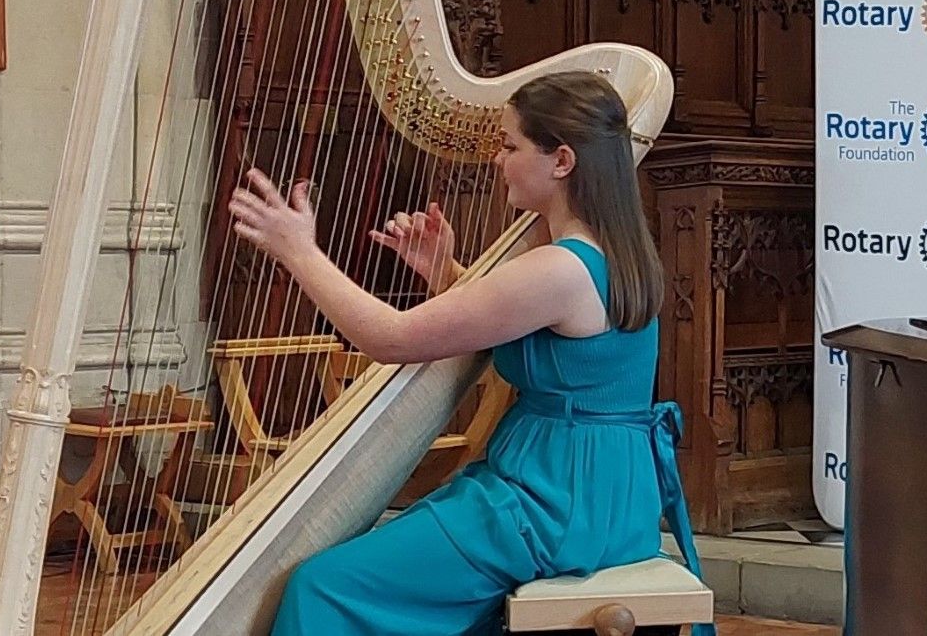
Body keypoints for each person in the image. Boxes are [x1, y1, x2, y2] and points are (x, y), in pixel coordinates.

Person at [228, 70, 714, 636]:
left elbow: (391, 338)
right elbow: (534, 329)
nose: (498, 160)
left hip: (553, 502)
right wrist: (445, 274)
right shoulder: (610, 251)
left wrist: (300, 252)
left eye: (511, 146)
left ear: (562, 161)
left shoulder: (559, 267)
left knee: (323, 587)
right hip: (603, 491)